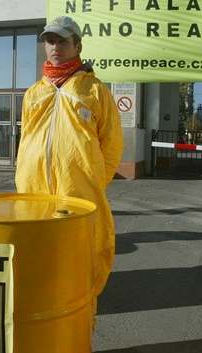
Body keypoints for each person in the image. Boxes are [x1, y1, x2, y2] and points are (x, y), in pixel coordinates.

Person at [14, 16, 123, 320]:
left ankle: (76, 321)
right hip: (34, 193)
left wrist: (94, 180)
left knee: (78, 262)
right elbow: (25, 139)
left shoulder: (95, 89)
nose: (55, 47)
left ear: (77, 45)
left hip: (78, 194)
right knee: (37, 260)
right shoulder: (35, 92)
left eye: (62, 41)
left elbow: (111, 143)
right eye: (50, 41)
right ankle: (40, 321)